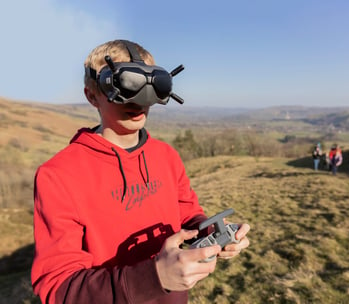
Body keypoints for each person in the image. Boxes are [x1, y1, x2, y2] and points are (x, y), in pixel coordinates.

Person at [31, 39, 250, 304]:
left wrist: (211, 233)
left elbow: (187, 214)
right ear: (92, 95)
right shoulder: (58, 175)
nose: (139, 100)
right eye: (126, 85)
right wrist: (154, 278)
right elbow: (58, 288)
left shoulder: (166, 156)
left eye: (151, 86)